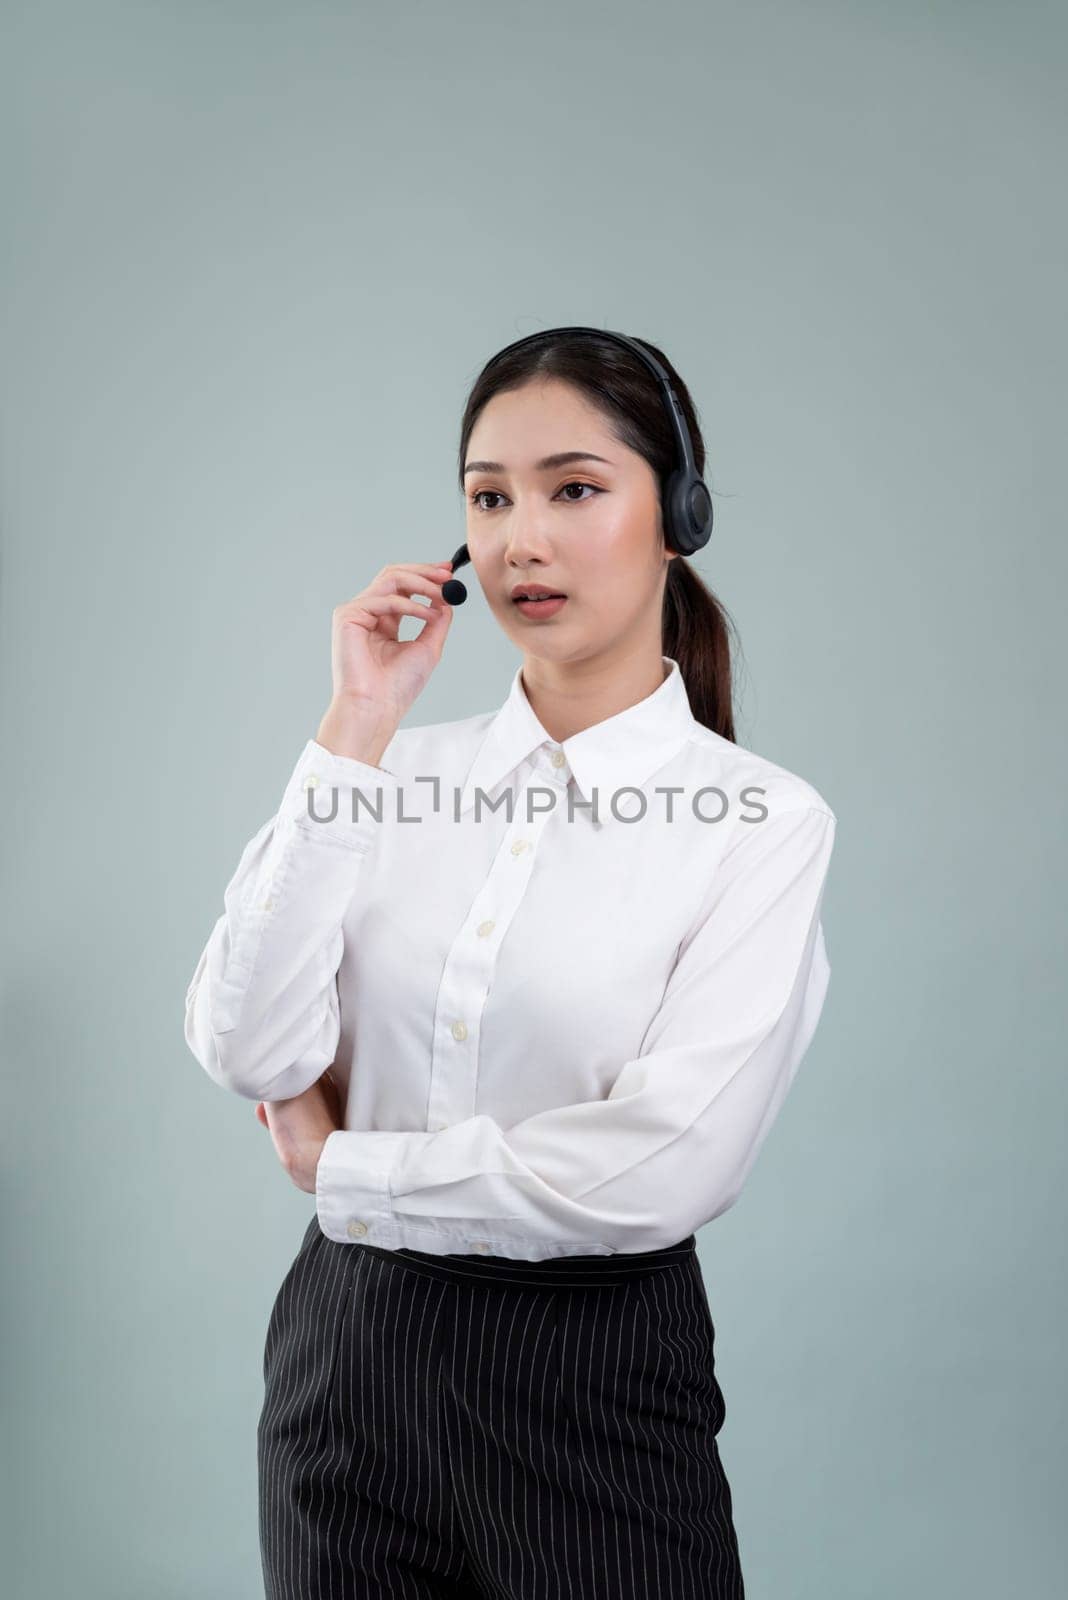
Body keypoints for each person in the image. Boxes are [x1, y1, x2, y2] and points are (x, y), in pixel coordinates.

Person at [183, 327, 837, 1598]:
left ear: (676, 515)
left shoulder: (761, 820)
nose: (520, 537)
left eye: (574, 488)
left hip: (588, 1386)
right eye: (489, 497)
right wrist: (359, 720)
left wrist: (348, 1165)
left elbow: (659, 1165)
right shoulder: (388, 776)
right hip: (344, 1371)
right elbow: (246, 1042)